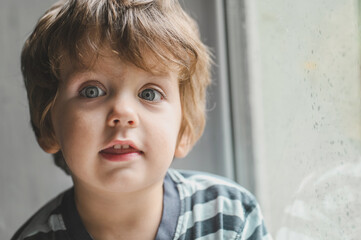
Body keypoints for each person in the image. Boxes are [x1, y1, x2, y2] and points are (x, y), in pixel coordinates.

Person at [11, 0, 272, 239]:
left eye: (149, 93)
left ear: (184, 127)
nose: (123, 113)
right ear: (49, 125)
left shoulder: (230, 219)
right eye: (92, 91)